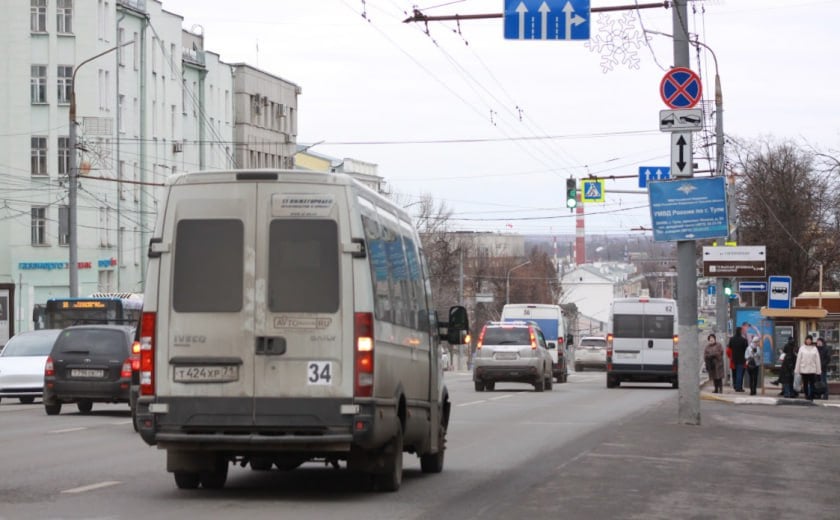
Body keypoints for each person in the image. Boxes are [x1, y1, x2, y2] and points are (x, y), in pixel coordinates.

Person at [794, 335, 822, 401]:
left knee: (812, 383)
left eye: (810, 340)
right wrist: (797, 370)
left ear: (812, 341)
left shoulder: (814, 348)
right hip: (804, 369)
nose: (808, 341)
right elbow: (799, 359)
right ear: (805, 340)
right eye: (807, 339)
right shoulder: (802, 348)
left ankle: (811, 395)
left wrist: (818, 371)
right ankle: (806, 395)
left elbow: (817, 360)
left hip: (812, 369)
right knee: (805, 384)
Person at [727, 324, 748, 392]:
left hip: (733, 359)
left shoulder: (732, 339)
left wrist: (730, 356)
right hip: (741, 359)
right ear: (740, 331)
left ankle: (735, 385)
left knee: (734, 373)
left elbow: (729, 349)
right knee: (740, 374)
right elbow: (746, 350)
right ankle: (739, 388)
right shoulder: (744, 340)